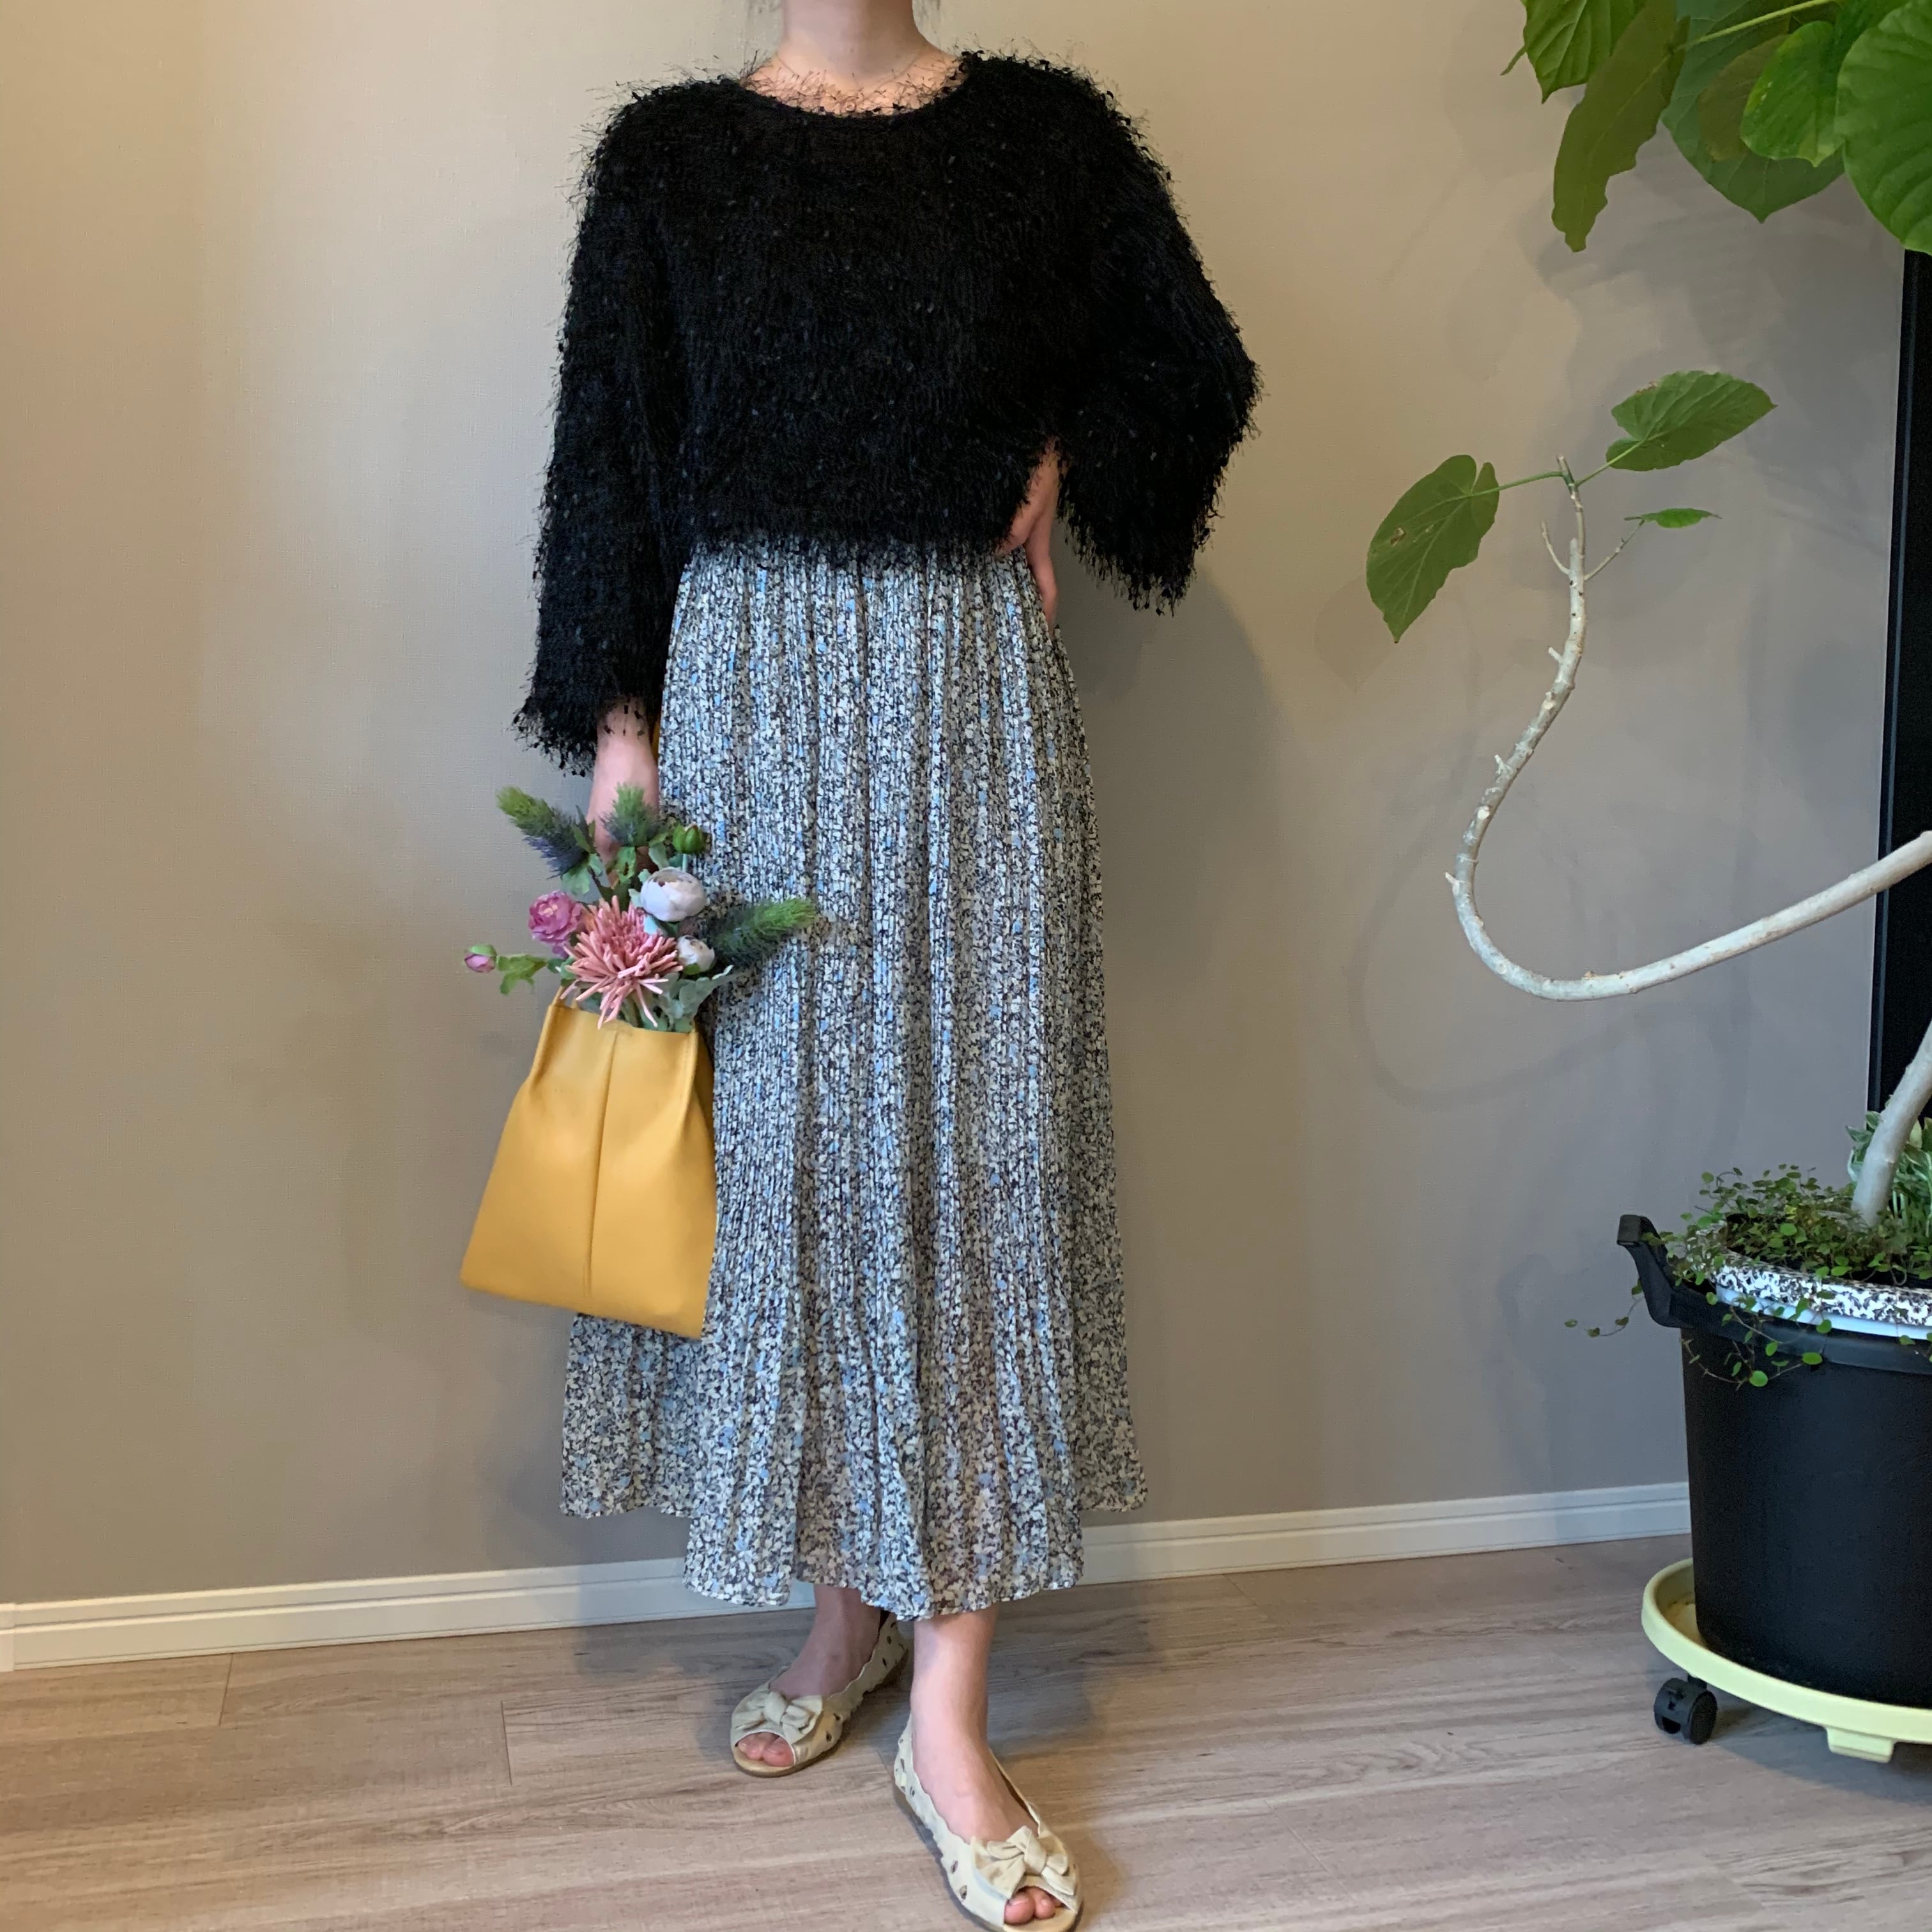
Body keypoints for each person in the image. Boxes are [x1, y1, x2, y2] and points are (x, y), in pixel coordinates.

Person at [516, 3, 1256, 1922]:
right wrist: (619, 741)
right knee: (805, 1177)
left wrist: (1065, 453)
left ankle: (952, 1707)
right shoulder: (673, 159)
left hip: (964, 699)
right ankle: (846, 1617)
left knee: (977, 1171)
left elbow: (1193, 370)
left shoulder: (1048, 141)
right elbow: (612, 454)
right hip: (746, 701)